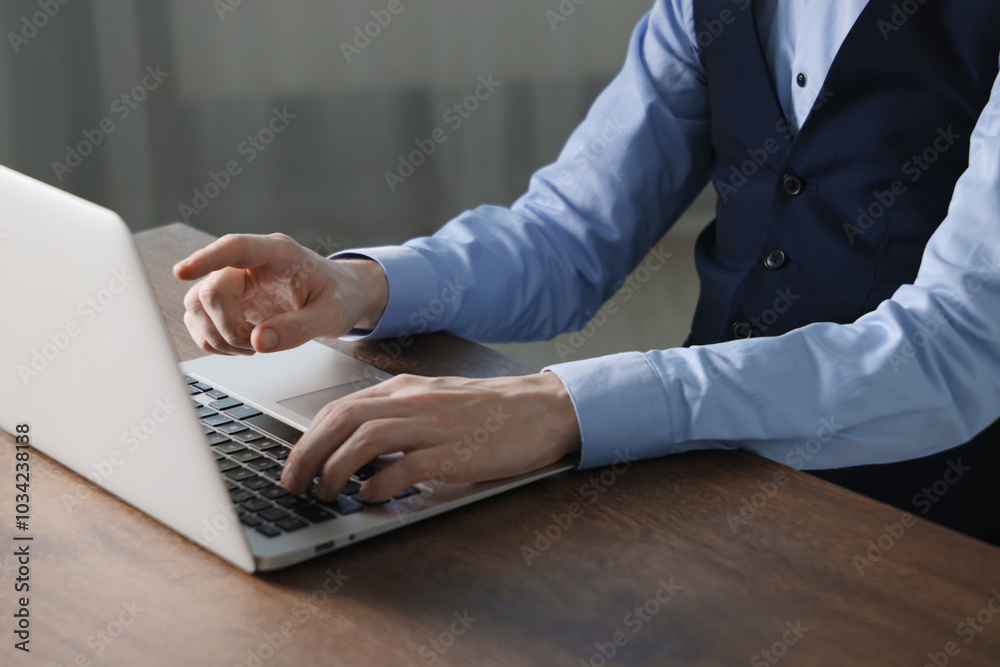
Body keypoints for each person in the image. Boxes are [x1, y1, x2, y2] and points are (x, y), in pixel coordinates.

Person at [174, 0, 1000, 542]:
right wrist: (357, 286)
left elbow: (956, 347)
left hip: (929, 529)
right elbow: (569, 236)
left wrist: (556, 403)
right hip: (695, 483)